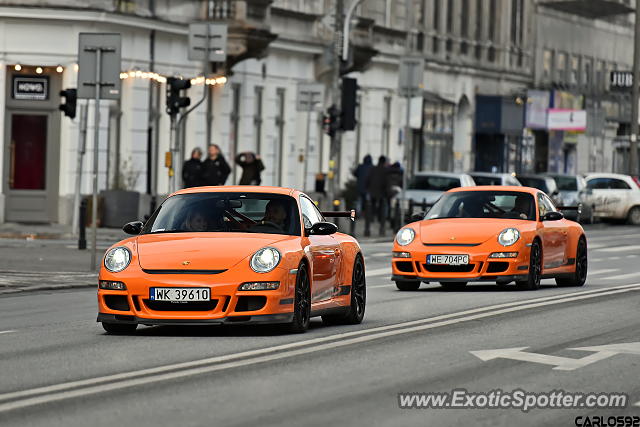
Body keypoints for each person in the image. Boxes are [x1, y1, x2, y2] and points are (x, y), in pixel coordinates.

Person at [365, 155, 391, 236]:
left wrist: (368, 188)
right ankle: (381, 227)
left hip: (372, 191)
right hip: (382, 193)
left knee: (370, 207)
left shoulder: (373, 169)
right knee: (382, 209)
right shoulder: (385, 170)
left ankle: (369, 225)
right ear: (384, 162)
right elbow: (387, 182)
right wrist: (387, 192)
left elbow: (368, 179)